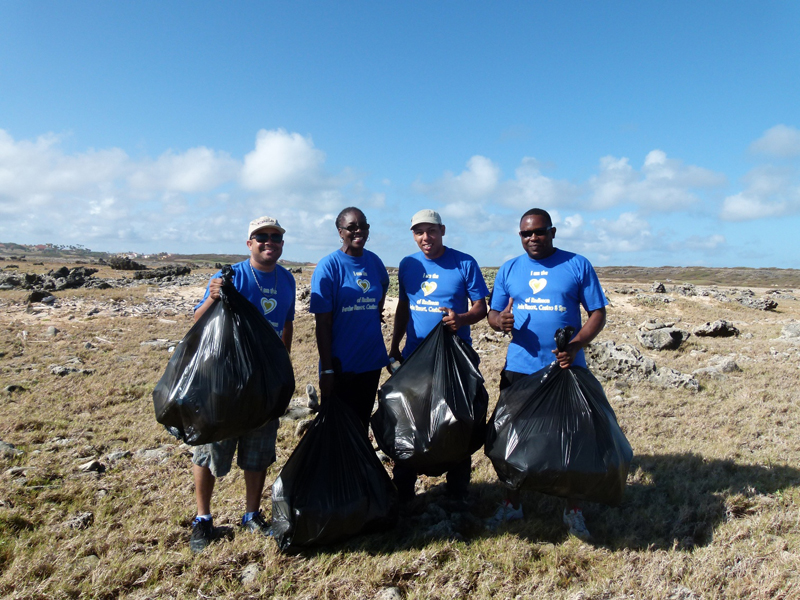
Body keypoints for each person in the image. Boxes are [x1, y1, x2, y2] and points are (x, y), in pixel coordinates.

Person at [485, 208, 607, 539]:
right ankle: (513, 504)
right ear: (520, 236)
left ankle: (574, 510)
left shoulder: (576, 265)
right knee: (511, 439)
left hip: (566, 369)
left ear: (552, 232)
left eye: (539, 232)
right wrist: (500, 322)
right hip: (520, 369)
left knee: (573, 441)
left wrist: (576, 344)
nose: (533, 238)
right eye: (526, 234)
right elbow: (494, 313)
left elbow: (597, 312)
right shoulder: (509, 269)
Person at [188, 216, 295, 554]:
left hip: (264, 383)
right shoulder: (230, 276)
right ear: (248, 243)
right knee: (208, 449)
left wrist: (282, 363)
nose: (269, 242)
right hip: (225, 380)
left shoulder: (287, 280)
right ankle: (203, 519)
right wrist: (214, 297)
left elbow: (287, 323)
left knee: (259, 452)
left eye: (275, 237)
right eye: (261, 237)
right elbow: (197, 319)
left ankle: (251, 513)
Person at [388, 209, 489, 504]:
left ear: (442, 230)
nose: (425, 237)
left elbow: (481, 307)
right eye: (419, 232)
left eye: (431, 231)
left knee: (456, 424)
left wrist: (462, 319)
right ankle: (404, 494)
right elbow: (404, 307)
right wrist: (395, 346)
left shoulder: (464, 262)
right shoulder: (408, 264)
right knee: (409, 424)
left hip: (455, 359)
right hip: (415, 359)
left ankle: (457, 493)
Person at [310, 207, 389, 428]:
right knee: (336, 430)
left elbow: (383, 284)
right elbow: (322, 323)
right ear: (340, 231)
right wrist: (327, 369)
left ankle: (358, 464)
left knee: (360, 425)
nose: (358, 231)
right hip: (341, 365)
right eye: (352, 227)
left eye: (363, 226)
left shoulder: (374, 262)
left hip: (371, 360)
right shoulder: (329, 266)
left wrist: (377, 309)